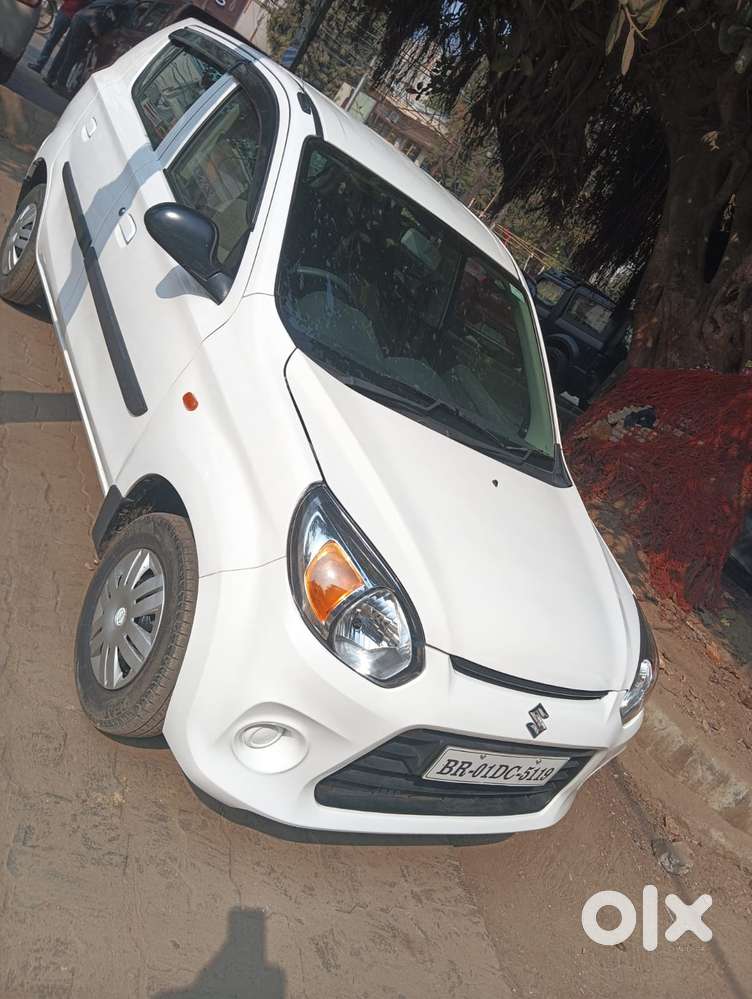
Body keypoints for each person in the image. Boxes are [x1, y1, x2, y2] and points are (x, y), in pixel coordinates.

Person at [46, 0, 134, 96]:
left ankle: (51, 76)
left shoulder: (118, 3)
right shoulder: (127, 6)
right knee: (72, 55)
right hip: (87, 22)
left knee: (65, 49)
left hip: (80, 16)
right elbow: (122, 29)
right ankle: (60, 83)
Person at [28, 0, 91, 74]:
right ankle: (42, 66)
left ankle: (50, 72)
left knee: (62, 46)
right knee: (54, 40)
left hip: (75, 16)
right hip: (67, 13)